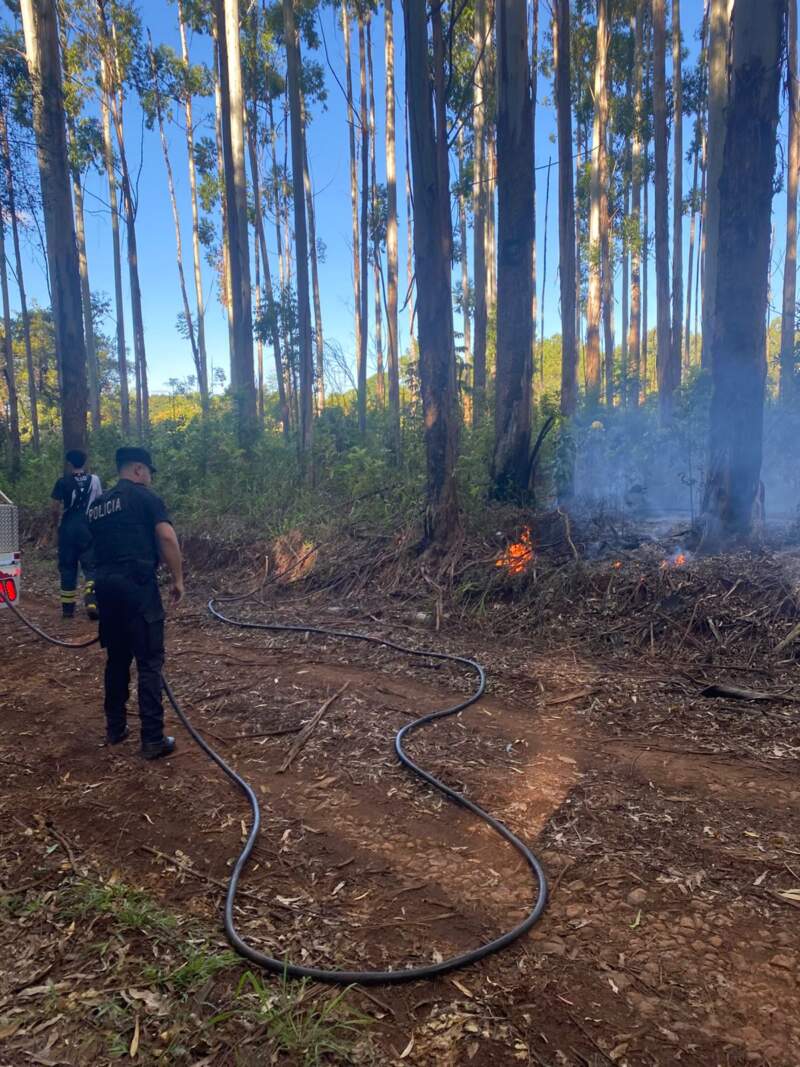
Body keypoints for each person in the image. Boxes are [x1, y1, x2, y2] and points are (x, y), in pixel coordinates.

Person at [88, 447, 184, 759]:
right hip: (137, 588)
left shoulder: (99, 505)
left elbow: (90, 550)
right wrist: (178, 579)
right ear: (139, 470)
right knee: (149, 663)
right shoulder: (145, 498)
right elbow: (167, 538)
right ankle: (153, 740)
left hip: (106, 589)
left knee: (117, 660)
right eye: (149, 473)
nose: (150, 478)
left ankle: (115, 728)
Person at [50, 449, 102, 619]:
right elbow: (99, 502)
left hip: (68, 529)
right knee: (92, 567)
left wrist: (55, 526)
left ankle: (67, 610)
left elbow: (55, 508)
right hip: (88, 528)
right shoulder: (94, 480)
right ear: (84, 463)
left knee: (67, 568)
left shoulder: (62, 482)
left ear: (70, 464)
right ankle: (92, 600)